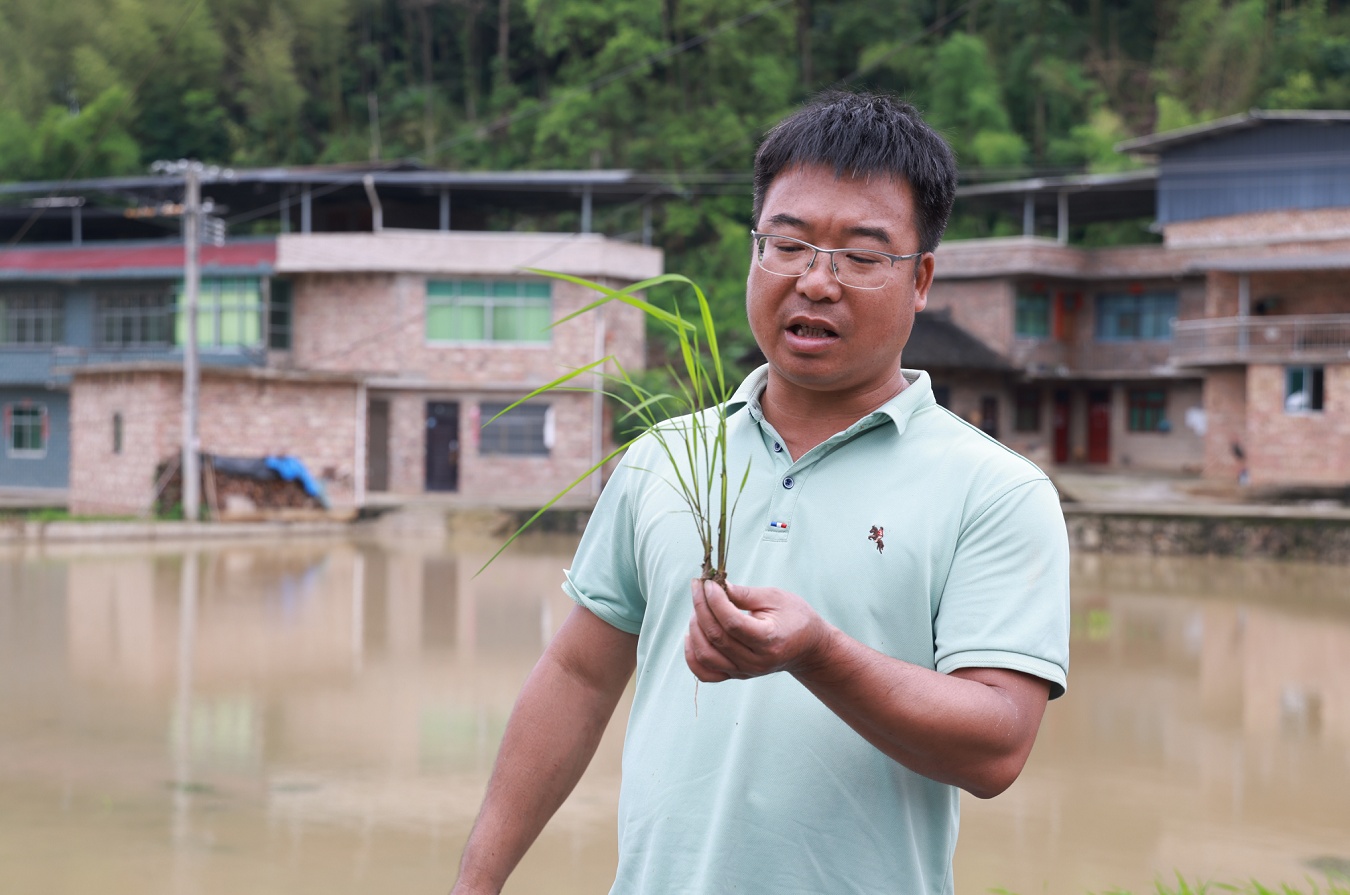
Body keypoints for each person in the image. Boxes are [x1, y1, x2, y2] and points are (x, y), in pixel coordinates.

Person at [451, 91, 1070, 895]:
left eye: (860, 255)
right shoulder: (667, 457)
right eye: (789, 245)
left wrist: (818, 652)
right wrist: (476, 882)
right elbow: (578, 676)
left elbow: (998, 744)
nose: (816, 281)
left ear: (920, 278)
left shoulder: (995, 490)